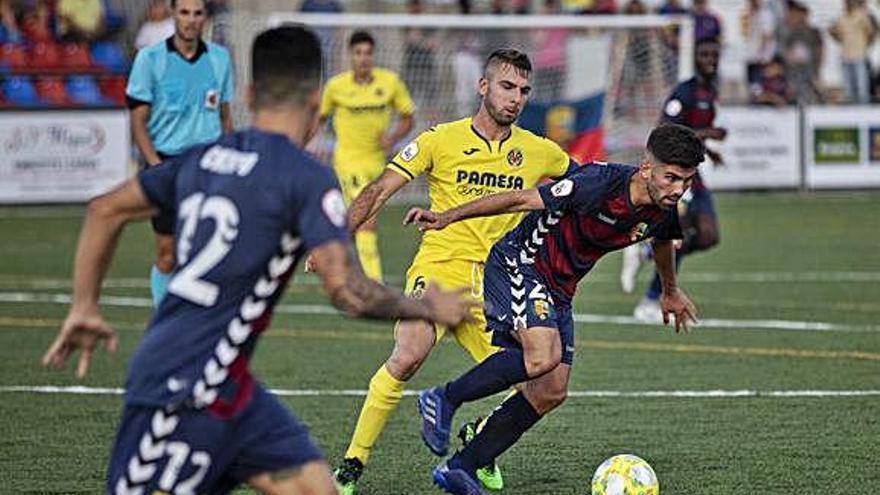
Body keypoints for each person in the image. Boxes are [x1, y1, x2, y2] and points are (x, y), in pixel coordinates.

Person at [40, 25, 475, 495]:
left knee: (317, 488)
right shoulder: (305, 177)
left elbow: (104, 208)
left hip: (229, 385)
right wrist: (428, 309)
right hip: (179, 384)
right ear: (316, 100)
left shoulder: (203, 158)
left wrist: (84, 305)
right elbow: (349, 292)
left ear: (248, 94)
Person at [328, 49, 577, 495]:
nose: (515, 98)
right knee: (408, 355)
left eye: (523, 91)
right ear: (483, 87)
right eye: (506, 87)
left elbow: (585, 187)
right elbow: (381, 187)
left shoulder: (538, 151)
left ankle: (478, 440)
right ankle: (352, 464)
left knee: (537, 383)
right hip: (440, 271)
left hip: (497, 284)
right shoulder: (439, 139)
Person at [411, 123, 702, 495]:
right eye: (671, 178)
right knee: (540, 357)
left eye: (687, 181)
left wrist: (670, 290)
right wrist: (448, 216)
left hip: (559, 289)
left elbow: (663, 240)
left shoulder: (665, 208)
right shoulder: (598, 183)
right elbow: (519, 199)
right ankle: (442, 398)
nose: (678, 189)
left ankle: (461, 466)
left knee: (550, 390)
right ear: (647, 168)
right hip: (520, 263)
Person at [126, 0, 234, 307]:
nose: (191, 20)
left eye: (197, 13)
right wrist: (154, 164)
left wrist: (232, 160)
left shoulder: (220, 59)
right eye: (184, 12)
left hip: (209, 165)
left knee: (209, 250)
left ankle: (200, 321)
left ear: (205, 18)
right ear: (173, 14)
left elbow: (225, 116)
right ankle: (165, 321)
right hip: (166, 164)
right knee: (167, 253)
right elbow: (138, 119)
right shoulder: (150, 59)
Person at [622, 38, 724, 323]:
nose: (710, 59)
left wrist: (710, 151)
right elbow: (667, 130)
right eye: (705, 54)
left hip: (694, 173)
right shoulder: (684, 92)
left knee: (707, 237)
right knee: (679, 234)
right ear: (695, 57)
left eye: (714, 54)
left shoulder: (710, 90)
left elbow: (693, 137)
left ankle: (646, 250)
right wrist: (707, 134)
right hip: (676, 176)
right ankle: (652, 297)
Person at [319, 30, 415, 283]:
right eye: (358, 53)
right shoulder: (336, 87)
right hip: (349, 162)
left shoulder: (389, 83)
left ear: (373, 55)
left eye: (367, 53)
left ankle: (338, 268)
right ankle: (373, 284)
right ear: (350, 55)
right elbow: (317, 118)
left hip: (378, 163)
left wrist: (392, 138)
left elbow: (407, 117)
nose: (363, 58)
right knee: (366, 221)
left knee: (353, 221)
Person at [828, 0, 878, 104]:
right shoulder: (841, 18)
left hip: (859, 55)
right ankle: (851, 108)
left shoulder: (862, 15)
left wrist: (866, 45)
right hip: (845, 55)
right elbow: (837, 34)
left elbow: (871, 32)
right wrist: (833, 34)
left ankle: (864, 109)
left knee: (861, 87)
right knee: (848, 88)